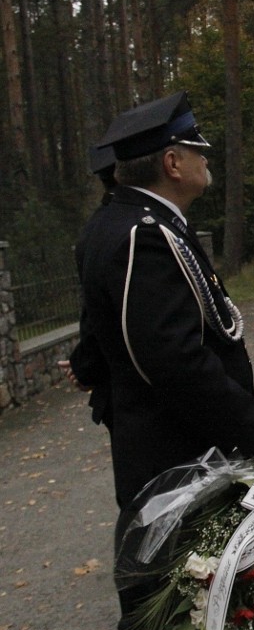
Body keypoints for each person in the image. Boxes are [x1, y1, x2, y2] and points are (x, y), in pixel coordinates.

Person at [70, 91, 254, 630]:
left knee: (174, 580)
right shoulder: (144, 233)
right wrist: (253, 426)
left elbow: (104, 326)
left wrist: (90, 364)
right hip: (176, 449)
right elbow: (173, 358)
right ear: (171, 163)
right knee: (178, 588)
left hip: (160, 442)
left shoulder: (119, 222)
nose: (205, 160)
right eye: (197, 151)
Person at [59, 145, 118, 431]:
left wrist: (84, 366)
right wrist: (86, 366)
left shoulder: (95, 228)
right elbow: (99, 311)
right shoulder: (120, 230)